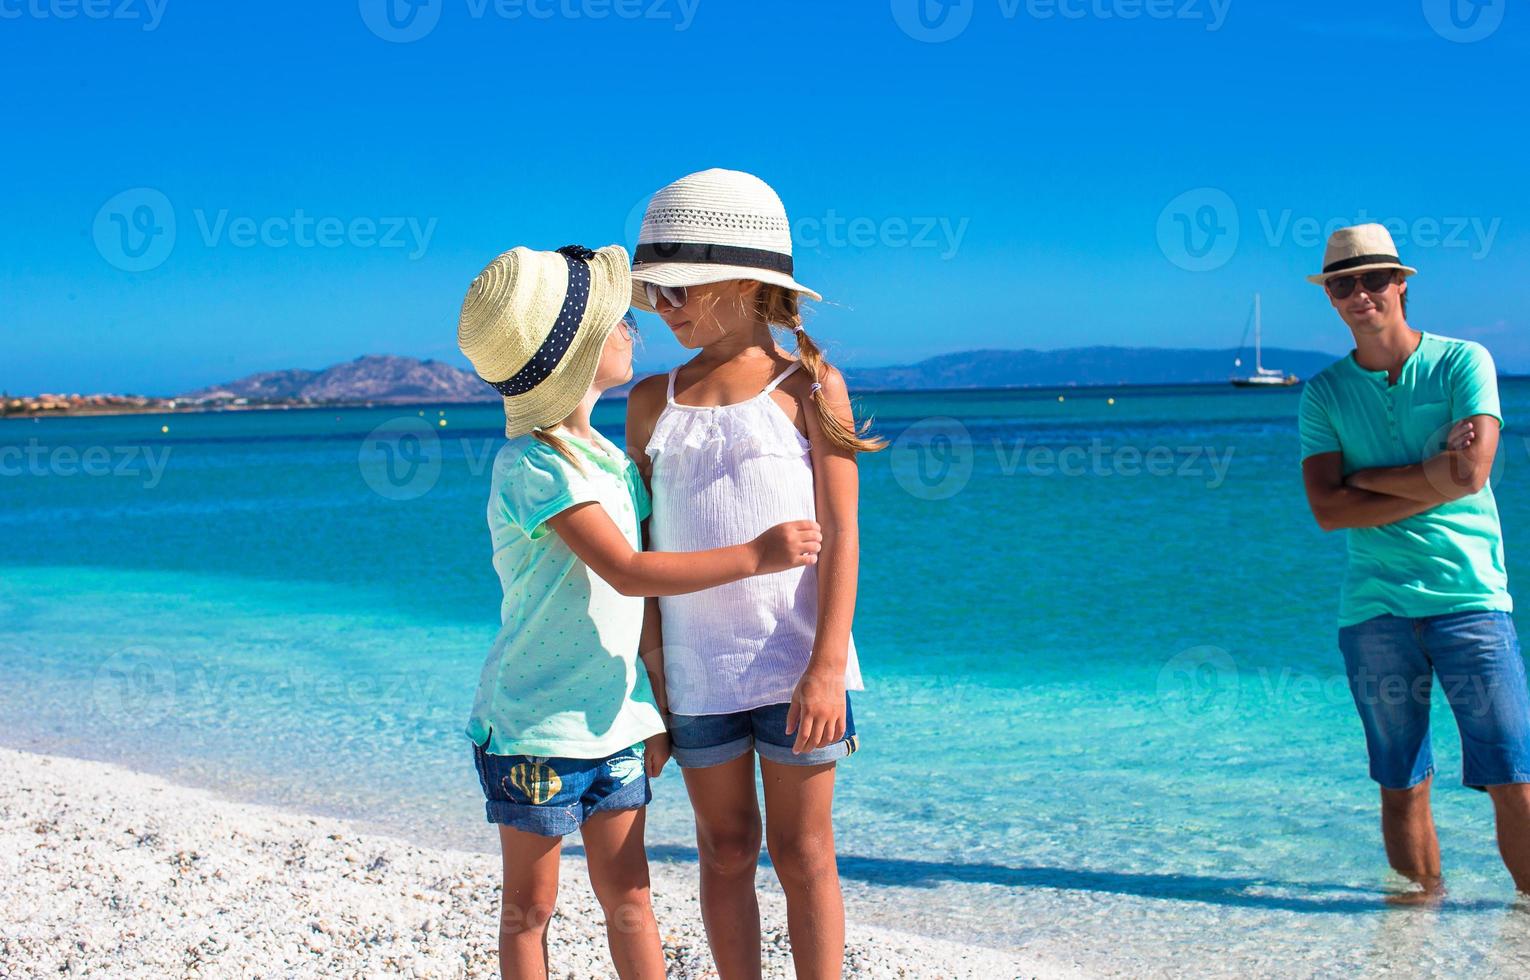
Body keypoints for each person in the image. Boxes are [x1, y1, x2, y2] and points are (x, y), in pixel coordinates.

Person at [456, 242, 822, 978]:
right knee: (533, 904)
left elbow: (648, 585)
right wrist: (756, 555)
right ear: (583, 352)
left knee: (631, 893)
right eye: (619, 321)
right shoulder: (533, 465)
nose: (637, 328)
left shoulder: (612, 462)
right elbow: (628, 572)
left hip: (614, 721)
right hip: (536, 726)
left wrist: (649, 707)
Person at [624, 169, 883, 978]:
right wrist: (655, 684)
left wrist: (827, 666)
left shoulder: (808, 386)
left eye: (678, 292)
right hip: (696, 674)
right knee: (725, 847)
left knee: (804, 851)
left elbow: (842, 533)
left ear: (744, 282)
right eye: (654, 296)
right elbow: (641, 560)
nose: (664, 311)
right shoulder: (648, 401)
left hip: (796, 663)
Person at [1297, 222, 1530, 899]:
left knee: (1513, 777)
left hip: (1470, 601)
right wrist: (1430, 472)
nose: (1360, 293)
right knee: (1400, 781)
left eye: (1374, 278)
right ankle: (1413, 940)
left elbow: (1471, 474)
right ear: (1332, 299)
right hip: (1375, 610)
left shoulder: (1464, 363)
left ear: (1401, 284)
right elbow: (1328, 511)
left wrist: (1370, 479)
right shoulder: (1325, 394)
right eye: (1344, 284)